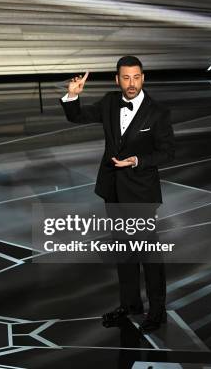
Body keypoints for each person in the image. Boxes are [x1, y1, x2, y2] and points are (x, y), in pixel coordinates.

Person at [60, 55, 175, 332]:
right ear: (117, 79)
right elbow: (78, 116)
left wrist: (137, 160)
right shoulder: (110, 102)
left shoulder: (157, 112)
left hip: (141, 193)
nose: (131, 83)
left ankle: (157, 311)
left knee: (148, 254)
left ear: (143, 78)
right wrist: (72, 96)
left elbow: (167, 151)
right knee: (123, 251)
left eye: (136, 77)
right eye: (126, 77)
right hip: (112, 190)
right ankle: (130, 304)